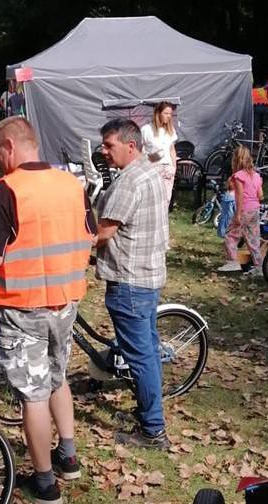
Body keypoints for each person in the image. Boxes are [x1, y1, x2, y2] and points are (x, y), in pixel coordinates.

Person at [0, 116, 95, 503]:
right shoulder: (71, 184)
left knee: (34, 393)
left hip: (22, 307)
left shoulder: (5, 190)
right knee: (57, 378)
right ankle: (69, 453)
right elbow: (90, 234)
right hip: (66, 301)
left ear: (11, 146)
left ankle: (45, 482)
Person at [94, 118, 168, 451]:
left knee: (140, 357)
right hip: (149, 274)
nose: (104, 152)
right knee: (148, 351)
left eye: (109, 146)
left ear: (131, 146)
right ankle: (146, 412)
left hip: (129, 281)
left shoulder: (127, 183)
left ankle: (153, 430)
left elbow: (102, 233)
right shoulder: (150, 167)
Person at [218, 145, 263, 274]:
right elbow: (260, 195)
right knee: (253, 239)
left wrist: (237, 214)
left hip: (244, 210)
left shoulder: (238, 176)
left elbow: (239, 196)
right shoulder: (256, 175)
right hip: (255, 210)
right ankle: (259, 267)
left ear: (235, 160)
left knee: (230, 235)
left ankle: (232, 262)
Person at [141, 102, 178, 208]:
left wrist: (174, 168)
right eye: (166, 113)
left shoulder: (170, 130)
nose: (169, 116)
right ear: (158, 113)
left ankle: (163, 223)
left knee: (165, 200)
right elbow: (140, 150)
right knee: (152, 201)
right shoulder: (146, 130)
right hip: (152, 168)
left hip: (167, 169)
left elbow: (172, 150)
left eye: (170, 113)